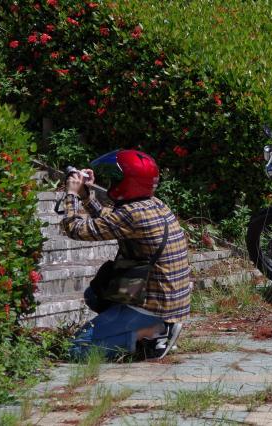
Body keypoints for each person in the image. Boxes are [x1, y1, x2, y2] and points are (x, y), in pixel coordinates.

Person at [62, 149, 191, 360]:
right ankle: (147, 333)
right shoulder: (154, 204)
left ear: (128, 182)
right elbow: (109, 220)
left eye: (116, 179)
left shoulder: (132, 213)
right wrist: (86, 195)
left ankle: (152, 332)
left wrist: (72, 194)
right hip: (169, 301)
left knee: (75, 350)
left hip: (152, 304)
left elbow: (75, 229)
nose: (112, 183)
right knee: (95, 295)